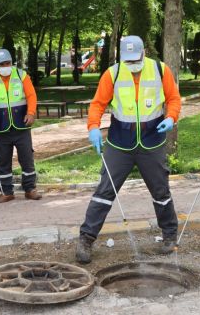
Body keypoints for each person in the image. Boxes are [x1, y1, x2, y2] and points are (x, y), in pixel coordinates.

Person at [76, 35, 181, 264]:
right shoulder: (112, 73)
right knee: (104, 190)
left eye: (136, 59)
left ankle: (170, 235)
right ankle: (86, 239)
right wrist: (93, 127)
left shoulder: (160, 70)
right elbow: (97, 104)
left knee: (160, 191)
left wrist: (171, 117)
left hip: (152, 140)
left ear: (144, 52)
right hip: (119, 143)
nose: (133, 65)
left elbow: (173, 99)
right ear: (122, 57)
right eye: (129, 61)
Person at [0, 49, 40, 203]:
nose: (5, 66)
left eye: (8, 63)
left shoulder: (21, 75)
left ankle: (30, 189)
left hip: (21, 125)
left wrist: (31, 112)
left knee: (27, 158)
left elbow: (31, 95)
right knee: (2, 160)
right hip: (0, 127)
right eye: (1, 64)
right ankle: (7, 192)